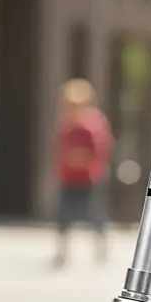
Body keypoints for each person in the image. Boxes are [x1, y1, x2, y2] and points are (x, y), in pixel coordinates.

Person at [53, 79, 114, 268]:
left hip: (89, 177)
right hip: (69, 176)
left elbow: (100, 149)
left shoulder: (93, 123)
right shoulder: (66, 123)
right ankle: (62, 252)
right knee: (64, 214)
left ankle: (101, 247)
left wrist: (81, 158)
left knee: (93, 213)